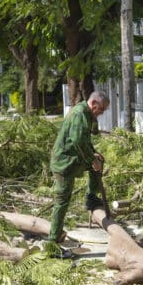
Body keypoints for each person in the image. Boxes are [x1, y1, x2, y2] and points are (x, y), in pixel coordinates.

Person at [46, 90, 109, 246]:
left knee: (99, 162)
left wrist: (94, 154)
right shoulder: (79, 114)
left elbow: (85, 140)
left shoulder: (86, 113)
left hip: (73, 158)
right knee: (62, 201)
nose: (101, 113)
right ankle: (53, 241)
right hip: (64, 163)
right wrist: (90, 159)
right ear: (94, 103)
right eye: (101, 109)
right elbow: (77, 141)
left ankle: (91, 197)